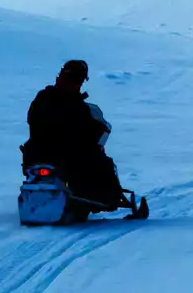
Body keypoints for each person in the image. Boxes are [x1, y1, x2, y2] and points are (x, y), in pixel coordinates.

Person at [23, 60, 128, 209]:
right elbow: (85, 132)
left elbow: (31, 119)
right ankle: (109, 199)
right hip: (65, 157)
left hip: (36, 155)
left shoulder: (43, 97)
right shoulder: (75, 106)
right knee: (102, 163)